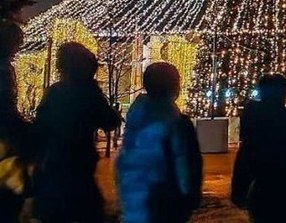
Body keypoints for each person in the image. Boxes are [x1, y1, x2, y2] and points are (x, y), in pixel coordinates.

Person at [33, 41, 121, 223]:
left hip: (53, 165)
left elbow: (40, 125)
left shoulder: (54, 92)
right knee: (89, 211)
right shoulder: (89, 93)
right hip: (79, 165)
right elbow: (110, 121)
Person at [117, 62, 203, 223]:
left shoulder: (136, 118)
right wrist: (190, 196)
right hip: (168, 198)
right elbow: (187, 163)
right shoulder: (178, 123)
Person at [231, 73, 286, 223]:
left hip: (262, 188)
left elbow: (247, 153)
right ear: (284, 93)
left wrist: (239, 189)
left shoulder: (254, 118)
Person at [0, 21, 31, 223]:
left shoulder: (6, 67)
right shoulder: (3, 69)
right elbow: (5, 105)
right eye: (16, 42)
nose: (18, 46)